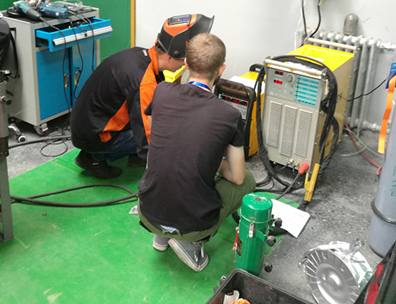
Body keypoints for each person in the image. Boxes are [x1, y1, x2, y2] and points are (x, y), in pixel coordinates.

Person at [138, 33, 256, 272]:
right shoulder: (229, 115)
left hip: (147, 211)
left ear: (185, 64)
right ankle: (189, 242)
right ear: (221, 69)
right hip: (193, 225)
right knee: (248, 180)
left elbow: (158, 135)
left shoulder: (161, 91)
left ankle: (161, 236)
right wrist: (214, 162)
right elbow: (237, 177)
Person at [70, 14, 214, 179]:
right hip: (95, 135)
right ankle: (92, 158)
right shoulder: (143, 80)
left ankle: (132, 156)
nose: (185, 65)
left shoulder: (140, 55)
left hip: (89, 123)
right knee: (166, 132)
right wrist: (159, 169)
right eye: (183, 60)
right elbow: (148, 132)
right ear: (170, 56)